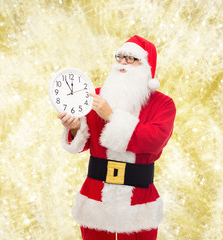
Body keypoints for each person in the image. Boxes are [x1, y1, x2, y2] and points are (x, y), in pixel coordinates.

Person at [58, 35, 176, 240]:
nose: (122, 62)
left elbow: (155, 141)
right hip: (96, 199)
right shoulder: (95, 97)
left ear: (146, 66)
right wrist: (75, 128)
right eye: (119, 57)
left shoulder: (163, 104)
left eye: (131, 58)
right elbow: (82, 143)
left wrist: (111, 116)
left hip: (139, 202)